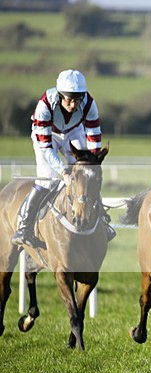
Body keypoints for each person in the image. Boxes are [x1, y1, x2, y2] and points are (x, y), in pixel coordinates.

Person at [12, 69, 113, 249]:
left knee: (86, 176)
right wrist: (63, 171)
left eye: (77, 99)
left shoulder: (89, 104)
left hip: (73, 131)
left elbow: (94, 136)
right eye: (68, 99)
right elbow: (46, 148)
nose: (73, 104)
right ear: (59, 96)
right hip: (47, 136)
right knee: (48, 180)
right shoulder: (44, 105)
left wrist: (90, 163)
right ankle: (24, 227)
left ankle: (103, 220)